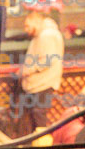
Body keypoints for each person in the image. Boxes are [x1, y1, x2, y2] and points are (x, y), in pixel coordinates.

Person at [17, 9, 64, 137]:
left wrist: (27, 70)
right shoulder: (44, 34)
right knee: (37, 116)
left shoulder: (46, 35)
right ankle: (38, 141)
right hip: (41, 82)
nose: (26, 29)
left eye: (27, 25)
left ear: (36, 22)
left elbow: (47, 60)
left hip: (43, 83)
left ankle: (41, 143)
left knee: (39, 116)